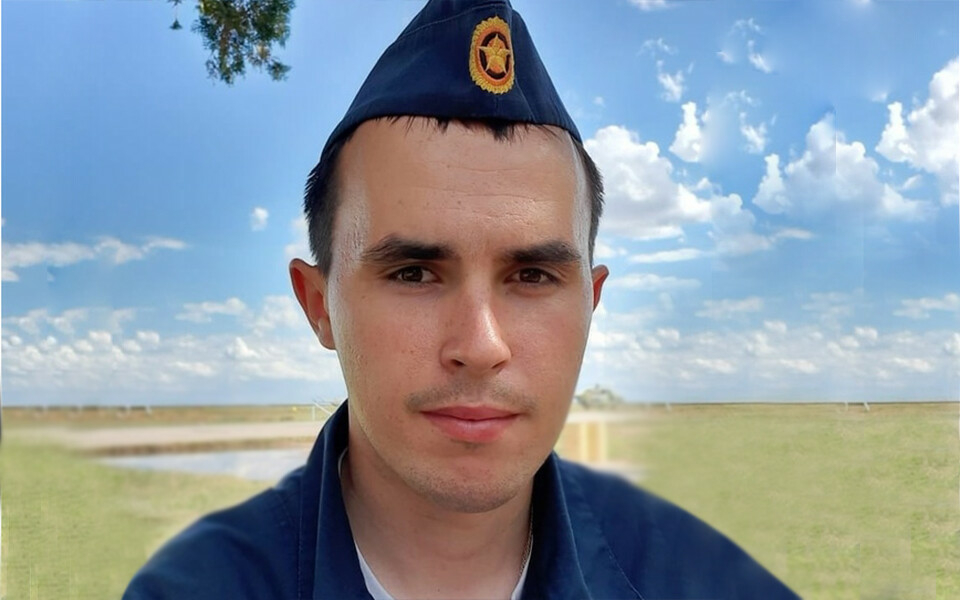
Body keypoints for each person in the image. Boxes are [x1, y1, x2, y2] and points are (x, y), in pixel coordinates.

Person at [124, 1, 799, 598]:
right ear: (319, 305)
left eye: (532, 277)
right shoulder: (195, 588)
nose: (480, 346)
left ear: (591, 304)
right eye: (414, 273)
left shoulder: (703, 581)